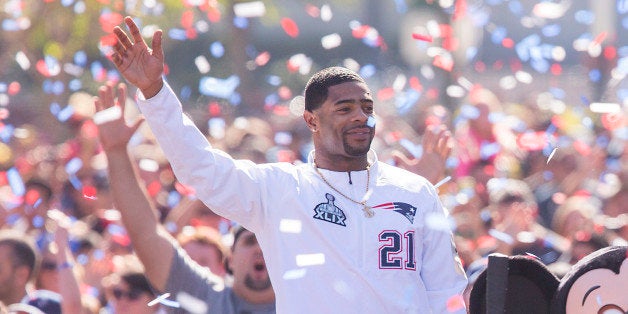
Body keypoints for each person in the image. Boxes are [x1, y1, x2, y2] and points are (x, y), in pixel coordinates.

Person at [107, 16, 467, 313]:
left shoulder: (415, 191)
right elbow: (200, 168)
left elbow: (447, 294)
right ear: (311, 121)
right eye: (345, 109)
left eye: (367, 108)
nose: (361, 117)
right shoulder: (279, 189)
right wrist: (155, 93)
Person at [93, 83, 275, 313]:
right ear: (229, 261)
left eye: (267, 242)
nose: (259, 250)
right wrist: (116, 152)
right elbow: (146, 234)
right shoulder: (198, 295)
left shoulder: (311, 301)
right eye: (249, 241)